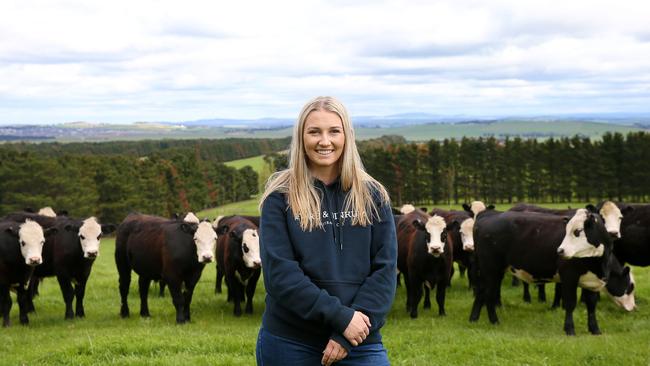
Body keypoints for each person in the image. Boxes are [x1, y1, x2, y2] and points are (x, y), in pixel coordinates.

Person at [255, 96, 397, 365]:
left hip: (360, 341)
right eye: (314, 132)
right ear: (301, 137)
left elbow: (384, 271)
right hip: (291, 341)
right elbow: (280, 275)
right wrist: (341, 318)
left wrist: (348, 332)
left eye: (334, 131)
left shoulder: (373, 195)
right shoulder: (280, 197)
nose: (324, 141)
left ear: (347, 136)